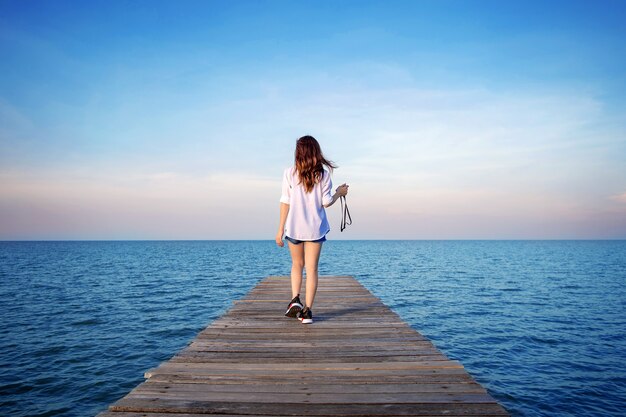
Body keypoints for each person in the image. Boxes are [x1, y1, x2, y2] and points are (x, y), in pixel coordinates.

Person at [275, 135, 349, 324]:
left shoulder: (289, 173)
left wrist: (279, 229)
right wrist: (339, 193)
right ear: (316, 152)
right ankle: (307, 312)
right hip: (315, 229)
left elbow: (285, 201)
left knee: (296, 265)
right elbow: (326, 202)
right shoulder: (323, 175)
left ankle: (295, 300)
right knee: (312, 269)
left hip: (293, 228)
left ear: (298, 153)